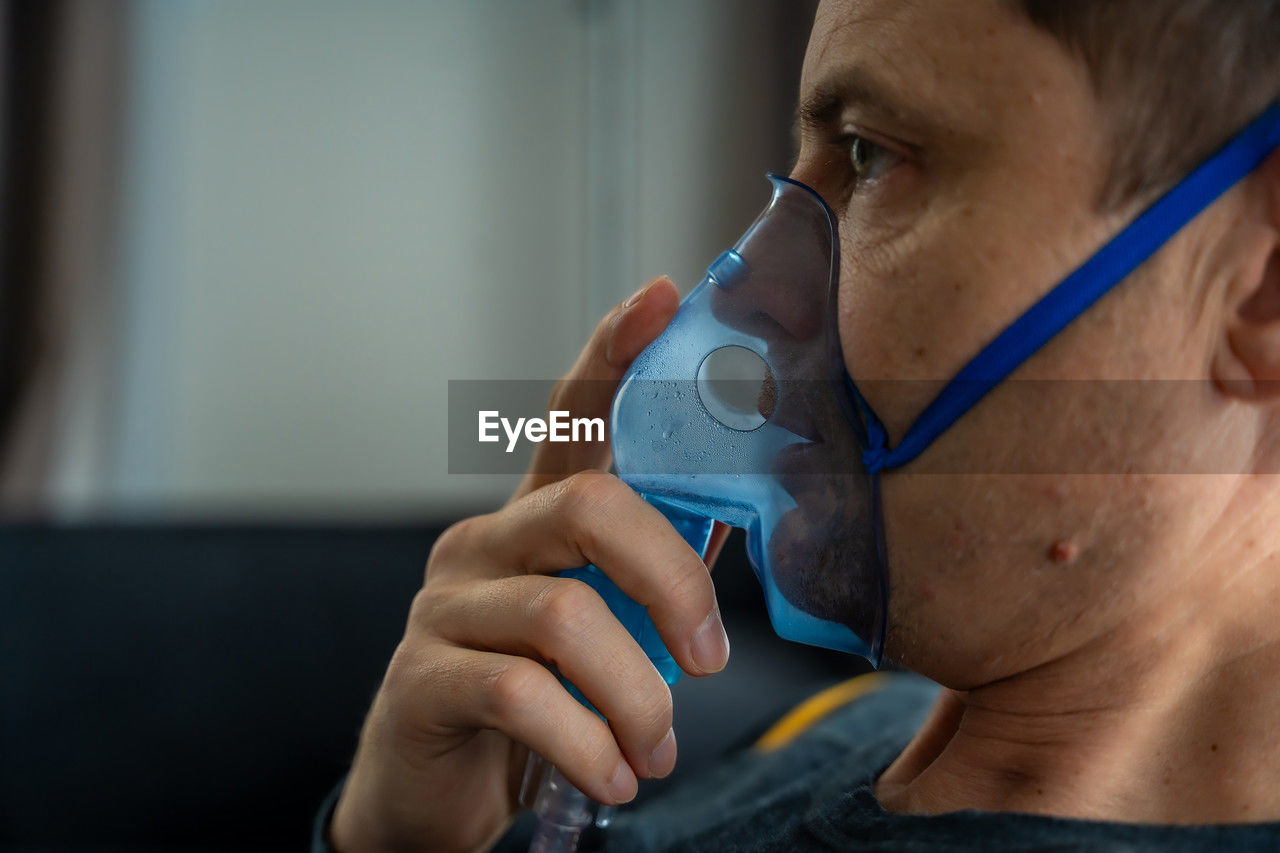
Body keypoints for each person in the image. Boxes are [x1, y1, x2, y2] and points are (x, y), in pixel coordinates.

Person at [317, 1, 1280, 849]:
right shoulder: (865, 726)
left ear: (1261, 291)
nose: (750, 301)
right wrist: (419, 833)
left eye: (872, 155)